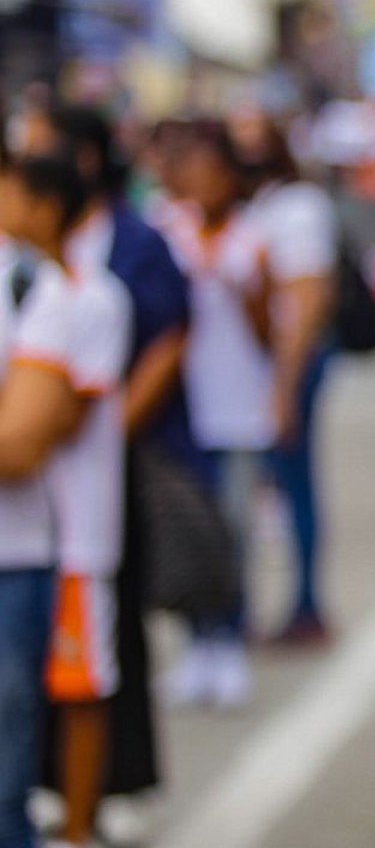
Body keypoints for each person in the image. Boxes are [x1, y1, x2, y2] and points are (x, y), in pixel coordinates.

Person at [18, 106, 192, 836]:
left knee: (92, 663)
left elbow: (161, 343)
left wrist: (113, 427)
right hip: (33, 514)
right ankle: (54, 795)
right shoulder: (30, 274)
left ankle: (94, 804)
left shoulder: (105, 271)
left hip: (85, 499)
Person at [0, 151, 133, 848]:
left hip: (72, 530)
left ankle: (78, 829)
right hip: (47, 529)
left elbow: (40, 431)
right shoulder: (45, 289)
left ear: (46, 205)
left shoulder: (77, 295)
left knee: (73, 687)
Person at [162, 123, 274, 711]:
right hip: (184, 411)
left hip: (236, 407)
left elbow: (267, 333)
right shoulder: (171, 234)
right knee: (188, 533)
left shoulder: (251, 239)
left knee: (232, 530)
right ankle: (197, 642)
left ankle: (230, 637)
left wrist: (246, 292)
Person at [233, 117, 339, 647]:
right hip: (262, 368)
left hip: (285, 366)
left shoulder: (296, 207)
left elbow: (306, 302)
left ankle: (306, 605)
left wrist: (283, 387)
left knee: (292, 487)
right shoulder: (262, 206)